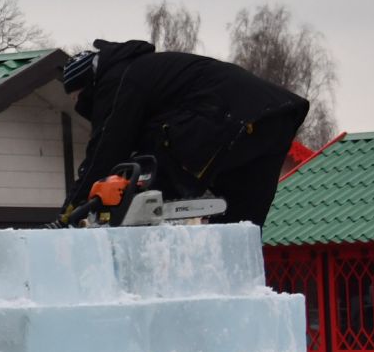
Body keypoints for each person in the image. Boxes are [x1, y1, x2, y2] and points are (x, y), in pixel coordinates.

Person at [60, 38, 309, 226]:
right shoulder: (147, 71)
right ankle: (236, 286)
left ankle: (154, 200)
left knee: (152, 157)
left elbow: (107, 147)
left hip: (225, 116)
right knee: (241, 224)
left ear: (89, 86)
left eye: (78, 98)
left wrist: (71, 208)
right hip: (275, 117)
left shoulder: (120, 78)